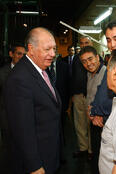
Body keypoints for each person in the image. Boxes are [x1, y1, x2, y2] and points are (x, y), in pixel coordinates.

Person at [4, 27, 62, 174]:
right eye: (47, 49)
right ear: (31, 49)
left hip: (48, 155)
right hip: (36, 163)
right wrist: (34, 166)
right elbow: (22, 129)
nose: (53, 54)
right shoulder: (20, 78)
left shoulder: (41, 69)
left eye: (54, 49)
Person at [71, 36, 93, 159]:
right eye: (82, 43)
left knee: (90, 124)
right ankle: (83, 148)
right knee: (79, 123)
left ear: (91, 44)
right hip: (78, 96)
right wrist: (72, 94)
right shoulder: (76, 58)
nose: (84, 45)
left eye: (87, 43)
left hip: (90, 96)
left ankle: (91, 150)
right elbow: (72, 76)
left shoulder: (95, 58)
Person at [0, 43, 25, 145]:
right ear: (11, 54)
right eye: (19, 54)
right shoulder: (2, 73)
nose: (22, 57)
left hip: (25, 118)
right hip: (7, 118)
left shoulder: (31, 73)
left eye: (24, 55)